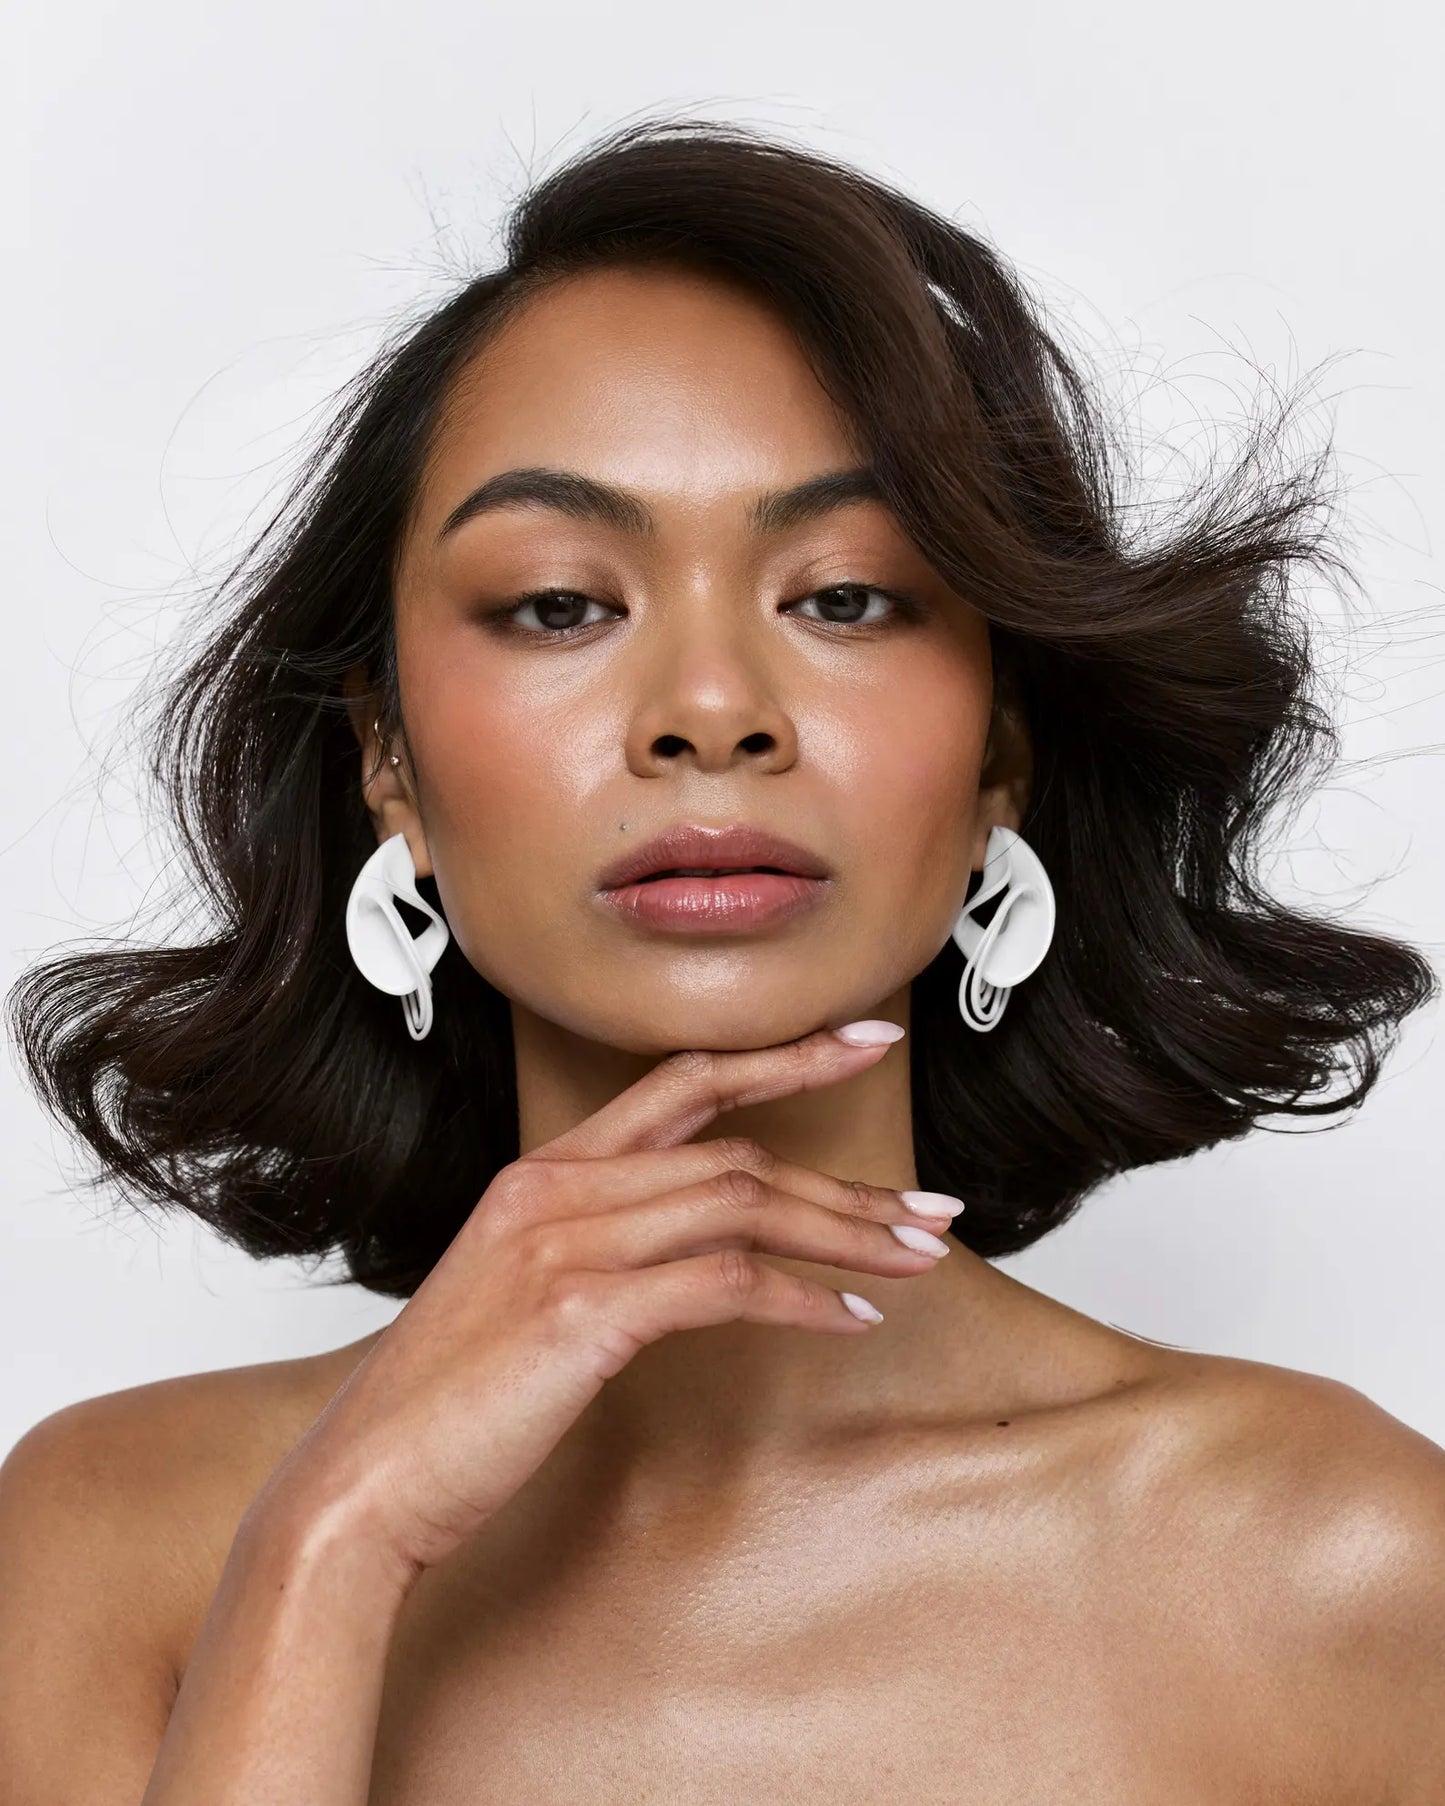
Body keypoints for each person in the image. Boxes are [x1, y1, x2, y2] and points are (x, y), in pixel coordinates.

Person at [1, 115, 1441, 1803]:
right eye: (557, 603)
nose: (708, 711)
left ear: (999, 757)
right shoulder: (110, 1541)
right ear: (385, 756)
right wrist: (340, 1534)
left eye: (844, 597)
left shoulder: (1340, 1564)